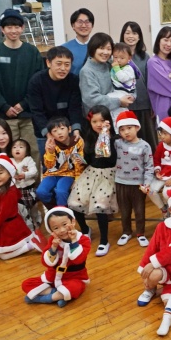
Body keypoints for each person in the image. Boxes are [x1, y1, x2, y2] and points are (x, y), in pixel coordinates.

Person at [0, 8, 44, 164]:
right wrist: (5, 107)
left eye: (17, 27)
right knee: (8, 155)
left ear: (22, 28)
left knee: (33, 153)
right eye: (9, 27)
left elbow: (38, 84)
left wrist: (23, 104)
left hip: (28, 115)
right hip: (5, 117)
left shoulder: (32, 52)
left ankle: (34, 181)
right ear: (2, 29)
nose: (13, 30)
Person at [67, 105, 119, 257]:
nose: (98, 124)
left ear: (108, 121)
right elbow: (90, 159)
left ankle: (104, 241)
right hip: (91, 173)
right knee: (75, 203)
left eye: (102, 120)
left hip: (109, 175)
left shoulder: (114, 138)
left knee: (99, 206)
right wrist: (81, 160)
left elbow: (107, 156)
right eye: (94, 121)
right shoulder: (89, 137)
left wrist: (105, 136)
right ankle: (85, 229)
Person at [22, 207, 91, 307]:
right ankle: (59, 294)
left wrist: (74, 242)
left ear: (73, 221)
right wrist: (53, 247)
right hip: (53, 277)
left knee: (75, 287)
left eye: (64, 224)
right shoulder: (53, 240)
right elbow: (46, 262)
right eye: (56, 228)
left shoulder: (83, 240)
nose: (62, 230)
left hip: (74, 277)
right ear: (51, 230)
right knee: (26, 284)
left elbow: (78, 260)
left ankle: (46, 299)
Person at [26, 46, 83, 156]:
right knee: (48, 163)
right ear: (48, 63)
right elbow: (37, 111)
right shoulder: (36, 81)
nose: (63, 68)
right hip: (45, 133)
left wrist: (76, 130)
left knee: (72, 163)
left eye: (67, 64)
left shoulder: (73, 80)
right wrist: (48, 134)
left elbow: (75, 107)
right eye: (59, 64)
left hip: (67, 132)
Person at [0, 154, 37, 260]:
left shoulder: (9, 192)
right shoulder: (1, 188)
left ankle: (30, 246)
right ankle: (27, 244)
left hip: (9, 227)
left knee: (4, 256)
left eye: (0, 173)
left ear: (9, 173)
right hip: (3, 225)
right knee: (3, 252)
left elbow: (3, 214)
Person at [113, 110, 155, 248]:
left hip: (138, 185)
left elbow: (149, 166)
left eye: (129, 128)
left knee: (139, 211)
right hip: (121, 182)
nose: (126, 132)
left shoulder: (145, 146)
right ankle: (126, 232)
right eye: (122, 129)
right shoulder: (117, 144)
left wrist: (147, 183)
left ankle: (140, 233)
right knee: (124, 210)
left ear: (137, 127)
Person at [37, 116, 87, 220]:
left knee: (61, 191)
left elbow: (79, 163)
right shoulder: (51, 144)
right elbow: (48, 166)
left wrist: (77, 179)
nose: (59, 133)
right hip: (52, 173)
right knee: (41, 192)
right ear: (51, 134)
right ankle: (54, 211)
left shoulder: (77, 141)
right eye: (55, 131)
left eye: (62, 129)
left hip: (68, 173)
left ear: (69, 129)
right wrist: (50, 152)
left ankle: (64, 215)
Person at [119, 21, 156, 146]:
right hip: (124, 106)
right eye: (127, 33)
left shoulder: (145, 57)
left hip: (144, 104)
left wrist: (153, 104)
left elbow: (151, 82)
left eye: (134, 33)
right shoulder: (117, 56)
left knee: (148, 139)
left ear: (139, 37)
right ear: (123, 35)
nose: (131, 36)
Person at [79, 33, 130, 118]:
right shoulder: (86, 71)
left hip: (117, 115)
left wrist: (130, 96)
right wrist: (119, 101)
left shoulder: (110, 65)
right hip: (98, 119)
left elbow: (126, 81)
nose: (105, 52)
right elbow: (92, 100)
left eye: (109, 49)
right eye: (101, 48)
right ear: (93, 48)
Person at [108, 42, 140, 120]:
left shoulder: (128, 68)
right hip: (117, 91)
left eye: (122, 58)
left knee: (111, 101)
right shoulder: (115, 65)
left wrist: (116, 68)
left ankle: (120, 121)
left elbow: (122, 78)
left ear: (129, 58)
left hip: (125, 92)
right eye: (115, 57)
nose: (118, 60)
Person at [63, 8, 94, 76]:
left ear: (92, 25)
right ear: (73, 26)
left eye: (87, 22)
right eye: (80, 22)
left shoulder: (98, 46)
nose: (83, 25)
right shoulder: (64, 48)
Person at [11, 138, 38, 212]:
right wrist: (13, 177)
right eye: (14, 147)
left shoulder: (28, 159)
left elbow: (34, 171)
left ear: (27, 151)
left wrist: (25, 175)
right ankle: (24, 217)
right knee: (19, 207)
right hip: (15, 189)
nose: (17, 149)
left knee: (33, 205)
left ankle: (36, 217)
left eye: (21, 147)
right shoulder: (10, 160)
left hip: (28, 188)